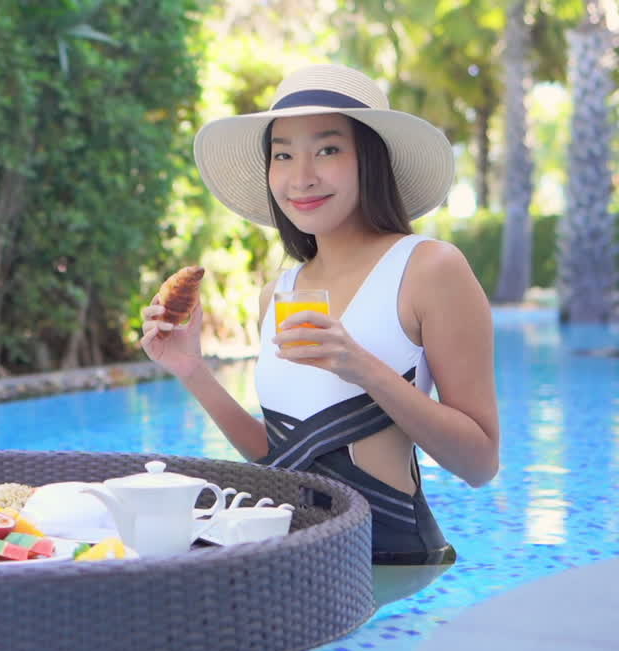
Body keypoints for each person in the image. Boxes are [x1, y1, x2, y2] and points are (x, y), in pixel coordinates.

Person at [140, 64, 500, 606]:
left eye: (327, 150)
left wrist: (363, 367)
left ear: (370, 160)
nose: (301, 176)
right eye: (282, 154)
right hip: (295, 559)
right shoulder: (278, 291)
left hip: (388, 571)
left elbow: (480, 464)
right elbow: (276, 456)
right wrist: (191, 369)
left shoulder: (429, 268)